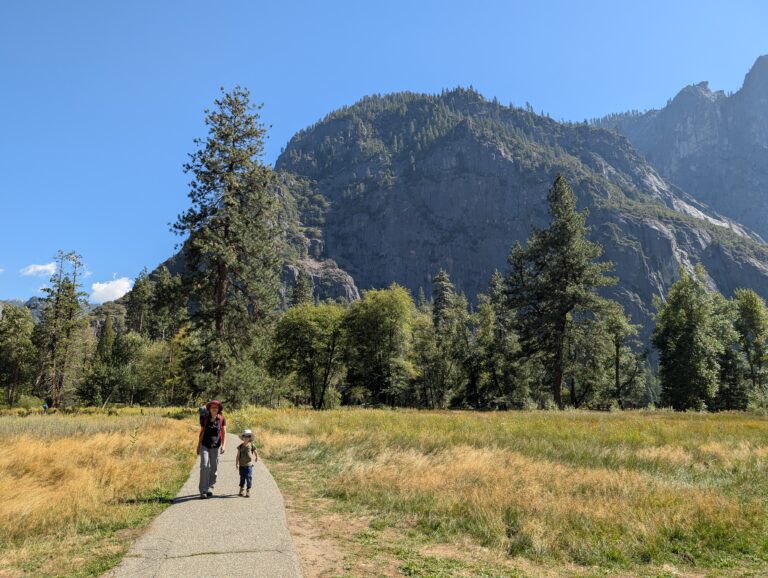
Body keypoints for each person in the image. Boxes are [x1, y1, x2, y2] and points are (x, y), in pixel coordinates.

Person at [197, 399, 227, 499]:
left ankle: (210, 486)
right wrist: (198, 446)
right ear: (209, 408)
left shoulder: (222, 419)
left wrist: (223, 445)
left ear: (218, 409)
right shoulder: (205, 418)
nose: (214, 408)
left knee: (214, 468)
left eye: (216, 407)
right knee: (205, 465)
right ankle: (203, 490)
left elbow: (224, 433)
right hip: (204, 445)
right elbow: (201, 433)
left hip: (216, 446)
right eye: (212, 407)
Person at [236, 429, 259, 497]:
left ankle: (248, 490)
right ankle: (242, 489)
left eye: (248, 436)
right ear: (242, 438)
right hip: (242, 465)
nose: (246, 438)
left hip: (249, 465)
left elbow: (255, 452)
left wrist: (256, 457)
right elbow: (237, 456)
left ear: (250, 438)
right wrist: (237, 464)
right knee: (242, 477)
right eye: (244, 436)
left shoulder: (252, 445)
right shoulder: (240, 446)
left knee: (249, 477)